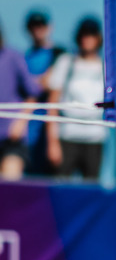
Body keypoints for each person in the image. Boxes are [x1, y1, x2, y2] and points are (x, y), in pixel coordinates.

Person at [46, 16, 106, 180]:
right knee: (62, 187)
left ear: (98, 38)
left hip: (95, 138)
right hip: (67, 136)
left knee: (91, 192)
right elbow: (52, 104)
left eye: (91, 34)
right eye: (84, 34)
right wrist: (52, 142)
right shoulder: (65, 62)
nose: (87, 39)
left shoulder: (105, 67)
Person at [23, 10, 65, 175]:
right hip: (28, 130)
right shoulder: (24, 57)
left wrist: (34, 83)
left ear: (49, 27)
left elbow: (49, 84)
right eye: (34, 26)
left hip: (52, 131)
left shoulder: (59, 54)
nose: (37, 30)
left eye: (41, 26)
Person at [0, 21, 42, 180]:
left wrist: (20, 122)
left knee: (9, 186)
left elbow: (33, 94)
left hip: (12, 139)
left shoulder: (13, 57)